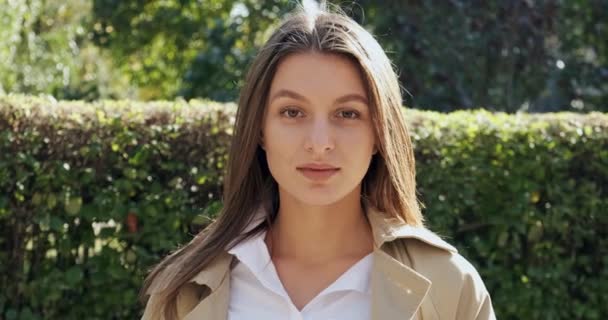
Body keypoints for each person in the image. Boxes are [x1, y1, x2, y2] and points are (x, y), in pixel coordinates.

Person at [140, 1, 496, 319]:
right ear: (260, 128)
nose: (320, 143)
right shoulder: (184, 292)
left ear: (379, 134)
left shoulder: (448, 287)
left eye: (348, 113)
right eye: (293, 112)